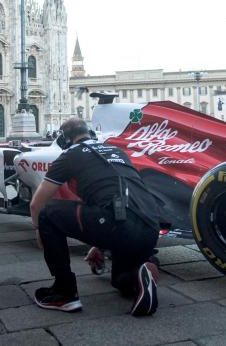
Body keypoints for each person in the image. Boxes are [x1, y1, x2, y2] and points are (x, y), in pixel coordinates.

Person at [29, 117, 163, 316]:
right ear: (91, 134)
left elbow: (36, 204)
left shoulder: (70, 154)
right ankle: (141, 272)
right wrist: (100, 243)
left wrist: (39, 228)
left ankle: (64, 292)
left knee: (47, 214)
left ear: (64, 140)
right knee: (120, 280)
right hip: (150, 228)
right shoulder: (117, 152)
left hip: (117, 225)